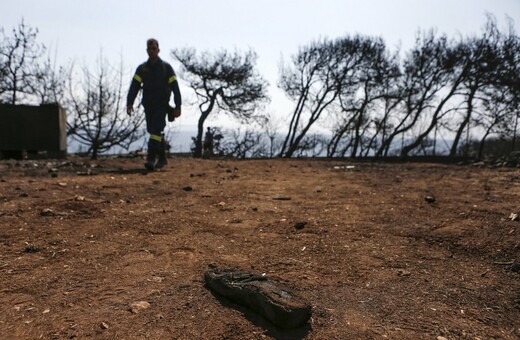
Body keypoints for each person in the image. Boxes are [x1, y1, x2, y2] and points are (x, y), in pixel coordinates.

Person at [127, 38, 182, 170]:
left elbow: (175, 87)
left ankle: (151, 158)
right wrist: (129, 103)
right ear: (147, 51)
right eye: (149, 48)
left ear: (158, 50)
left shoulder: (166, 68)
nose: (151, 51)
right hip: (148, 104)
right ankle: (162, 159)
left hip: (162, 104)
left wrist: (178, 106)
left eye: (154, 48)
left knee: (156, 129)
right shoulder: (142, 69)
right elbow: (134, 86)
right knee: (153, 131)